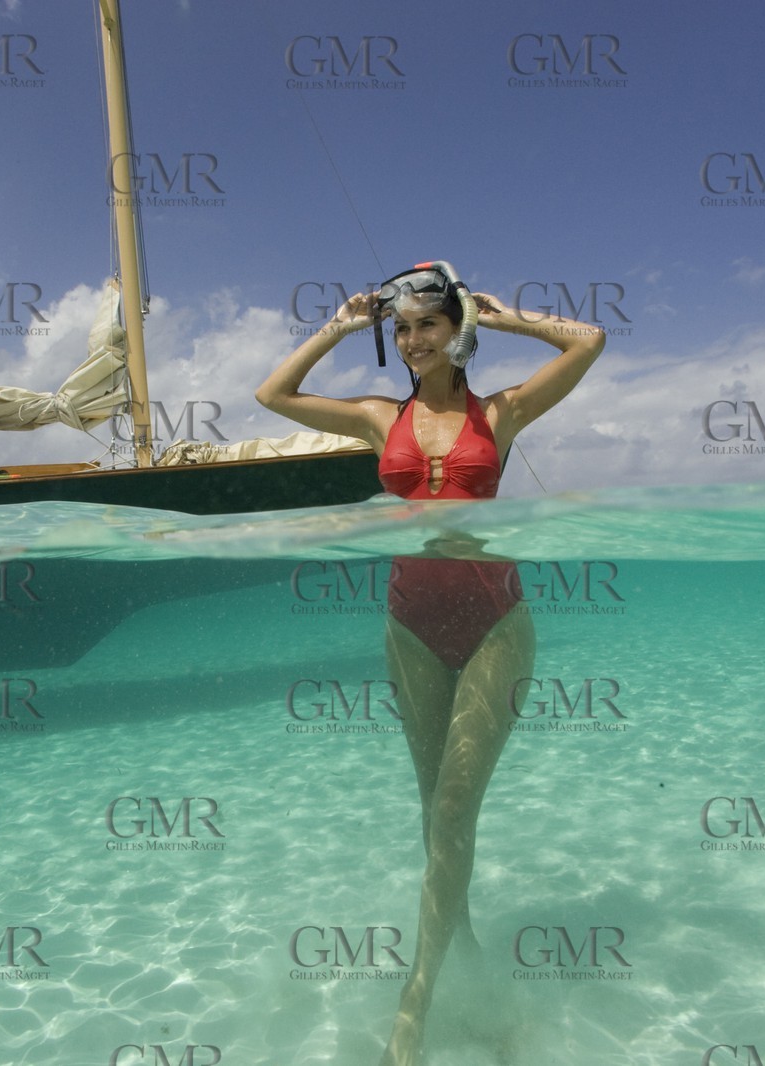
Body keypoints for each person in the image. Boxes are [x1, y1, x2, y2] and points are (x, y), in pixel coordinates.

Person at [256, 264, 607, 1065]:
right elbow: (272, 396)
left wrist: (505, 314)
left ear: (458, 330)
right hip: (409, 626)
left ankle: (410, 1016)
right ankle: (472, 962)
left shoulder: (502, 412)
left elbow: (588, 340)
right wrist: (341, 327)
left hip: (495, 626)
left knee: (453, 813)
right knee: (432, 817)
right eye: (403, 329)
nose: (413, 341)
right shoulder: (382, 418)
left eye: (429, 325)